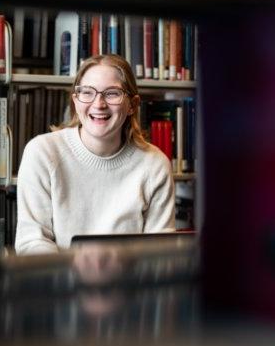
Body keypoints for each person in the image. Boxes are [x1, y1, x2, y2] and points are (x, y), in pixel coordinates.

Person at [15, 54, 175, 255]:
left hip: (128, 285)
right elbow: (32, 241)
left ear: (132, 105)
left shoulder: (155, 165)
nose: (98, 104)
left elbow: (159, 254)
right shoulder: (42, 153)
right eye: (87, 92)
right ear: (75, 100)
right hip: (59, 282)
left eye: (112, 93)